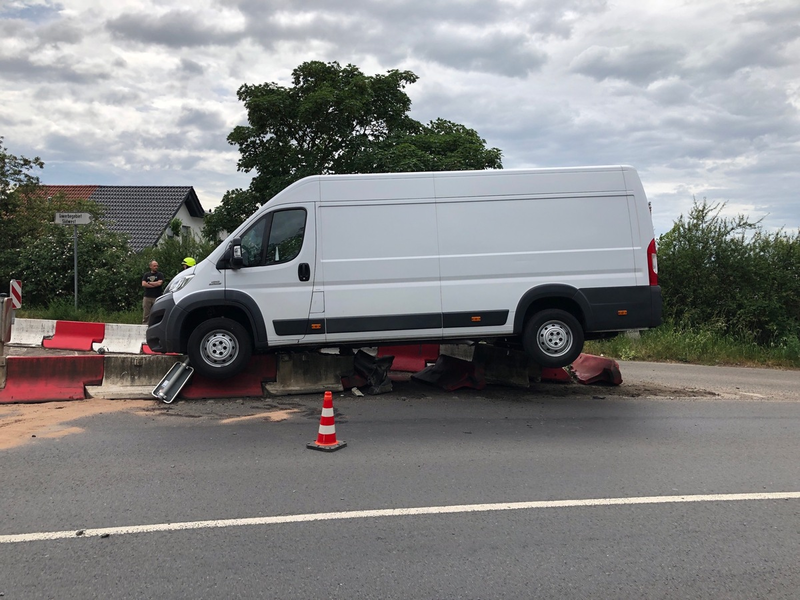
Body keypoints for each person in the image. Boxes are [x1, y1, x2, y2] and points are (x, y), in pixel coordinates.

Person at [141, 260, 165, 324]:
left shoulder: (160, 274)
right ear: (150, 266)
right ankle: (145, 324)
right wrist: (154, 284)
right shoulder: (146, 275)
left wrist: (149, 283)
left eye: (157, 266)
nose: (156, 267)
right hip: (147, 296)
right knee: (146, 313)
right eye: (154, 266)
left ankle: (156, 324)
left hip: (157, 296)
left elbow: (159, 283)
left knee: (157, 311)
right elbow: (143, 284)